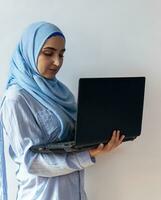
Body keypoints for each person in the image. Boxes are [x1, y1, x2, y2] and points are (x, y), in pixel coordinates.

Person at [0, 21, 125, 200]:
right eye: (48, 53)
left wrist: (99, 138)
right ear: (30, 51)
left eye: (61, 54)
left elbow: (70, 142)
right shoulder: (16, 99)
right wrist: (88, 155)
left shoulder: (61, 92)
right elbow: (32, 162)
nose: (57, 62)